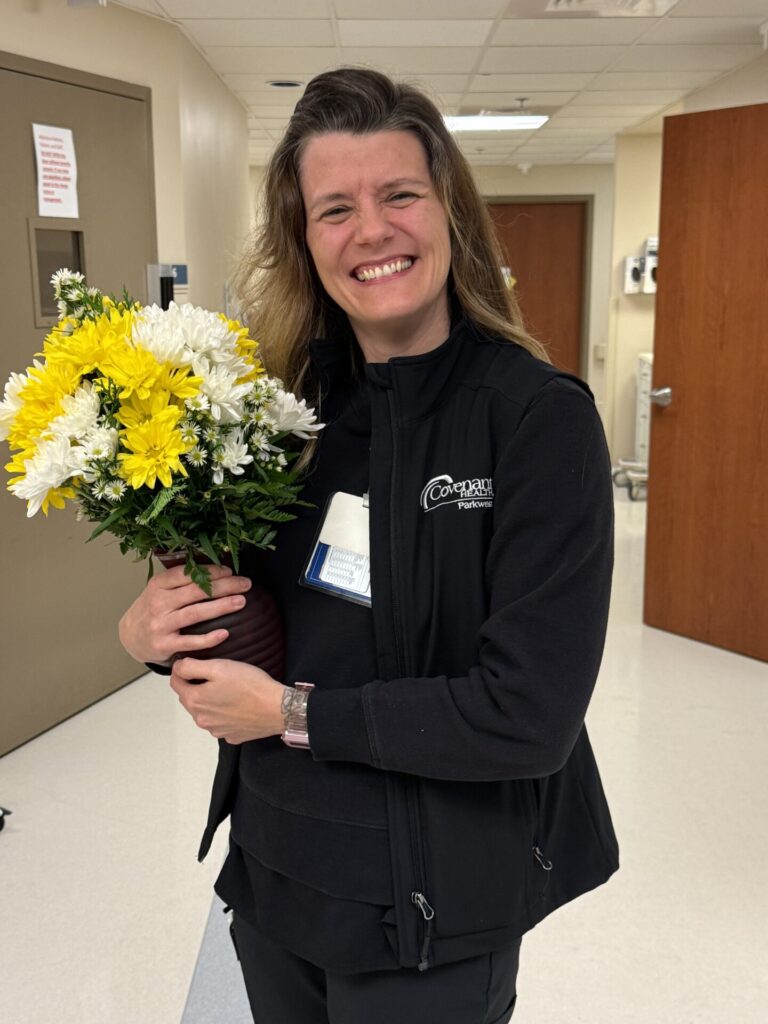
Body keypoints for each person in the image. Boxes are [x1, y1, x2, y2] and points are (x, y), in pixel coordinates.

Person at [119, 67, 618, 1024]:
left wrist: (291, 714)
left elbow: (528, 716)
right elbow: (254, 626)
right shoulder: (281, 415)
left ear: (451, 213)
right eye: (334, 209)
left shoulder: (533, 422)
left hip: (433, 908)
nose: (372, 231)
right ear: (304, 241)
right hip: (280, 874)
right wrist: (158, 634)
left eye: (399, 195)